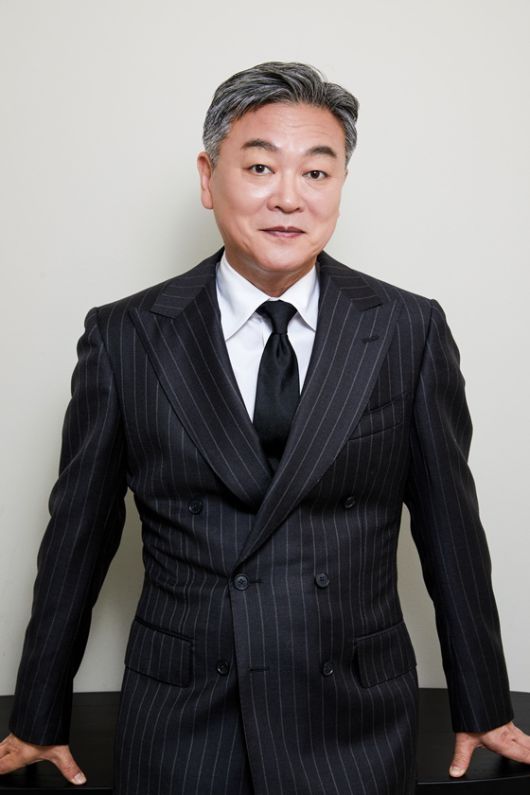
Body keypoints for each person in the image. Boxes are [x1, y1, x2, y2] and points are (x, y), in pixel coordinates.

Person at [1, 61, 529, 795]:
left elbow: (451, 530)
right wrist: (38, 714)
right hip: (184, 713)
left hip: (353, 714)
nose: (289, 197)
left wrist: (483, 703)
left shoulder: (407, 328)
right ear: (208, 177)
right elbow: (77, 538)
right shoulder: (126, 334)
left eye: (317, 172)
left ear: (341, 184)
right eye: (259, 167)